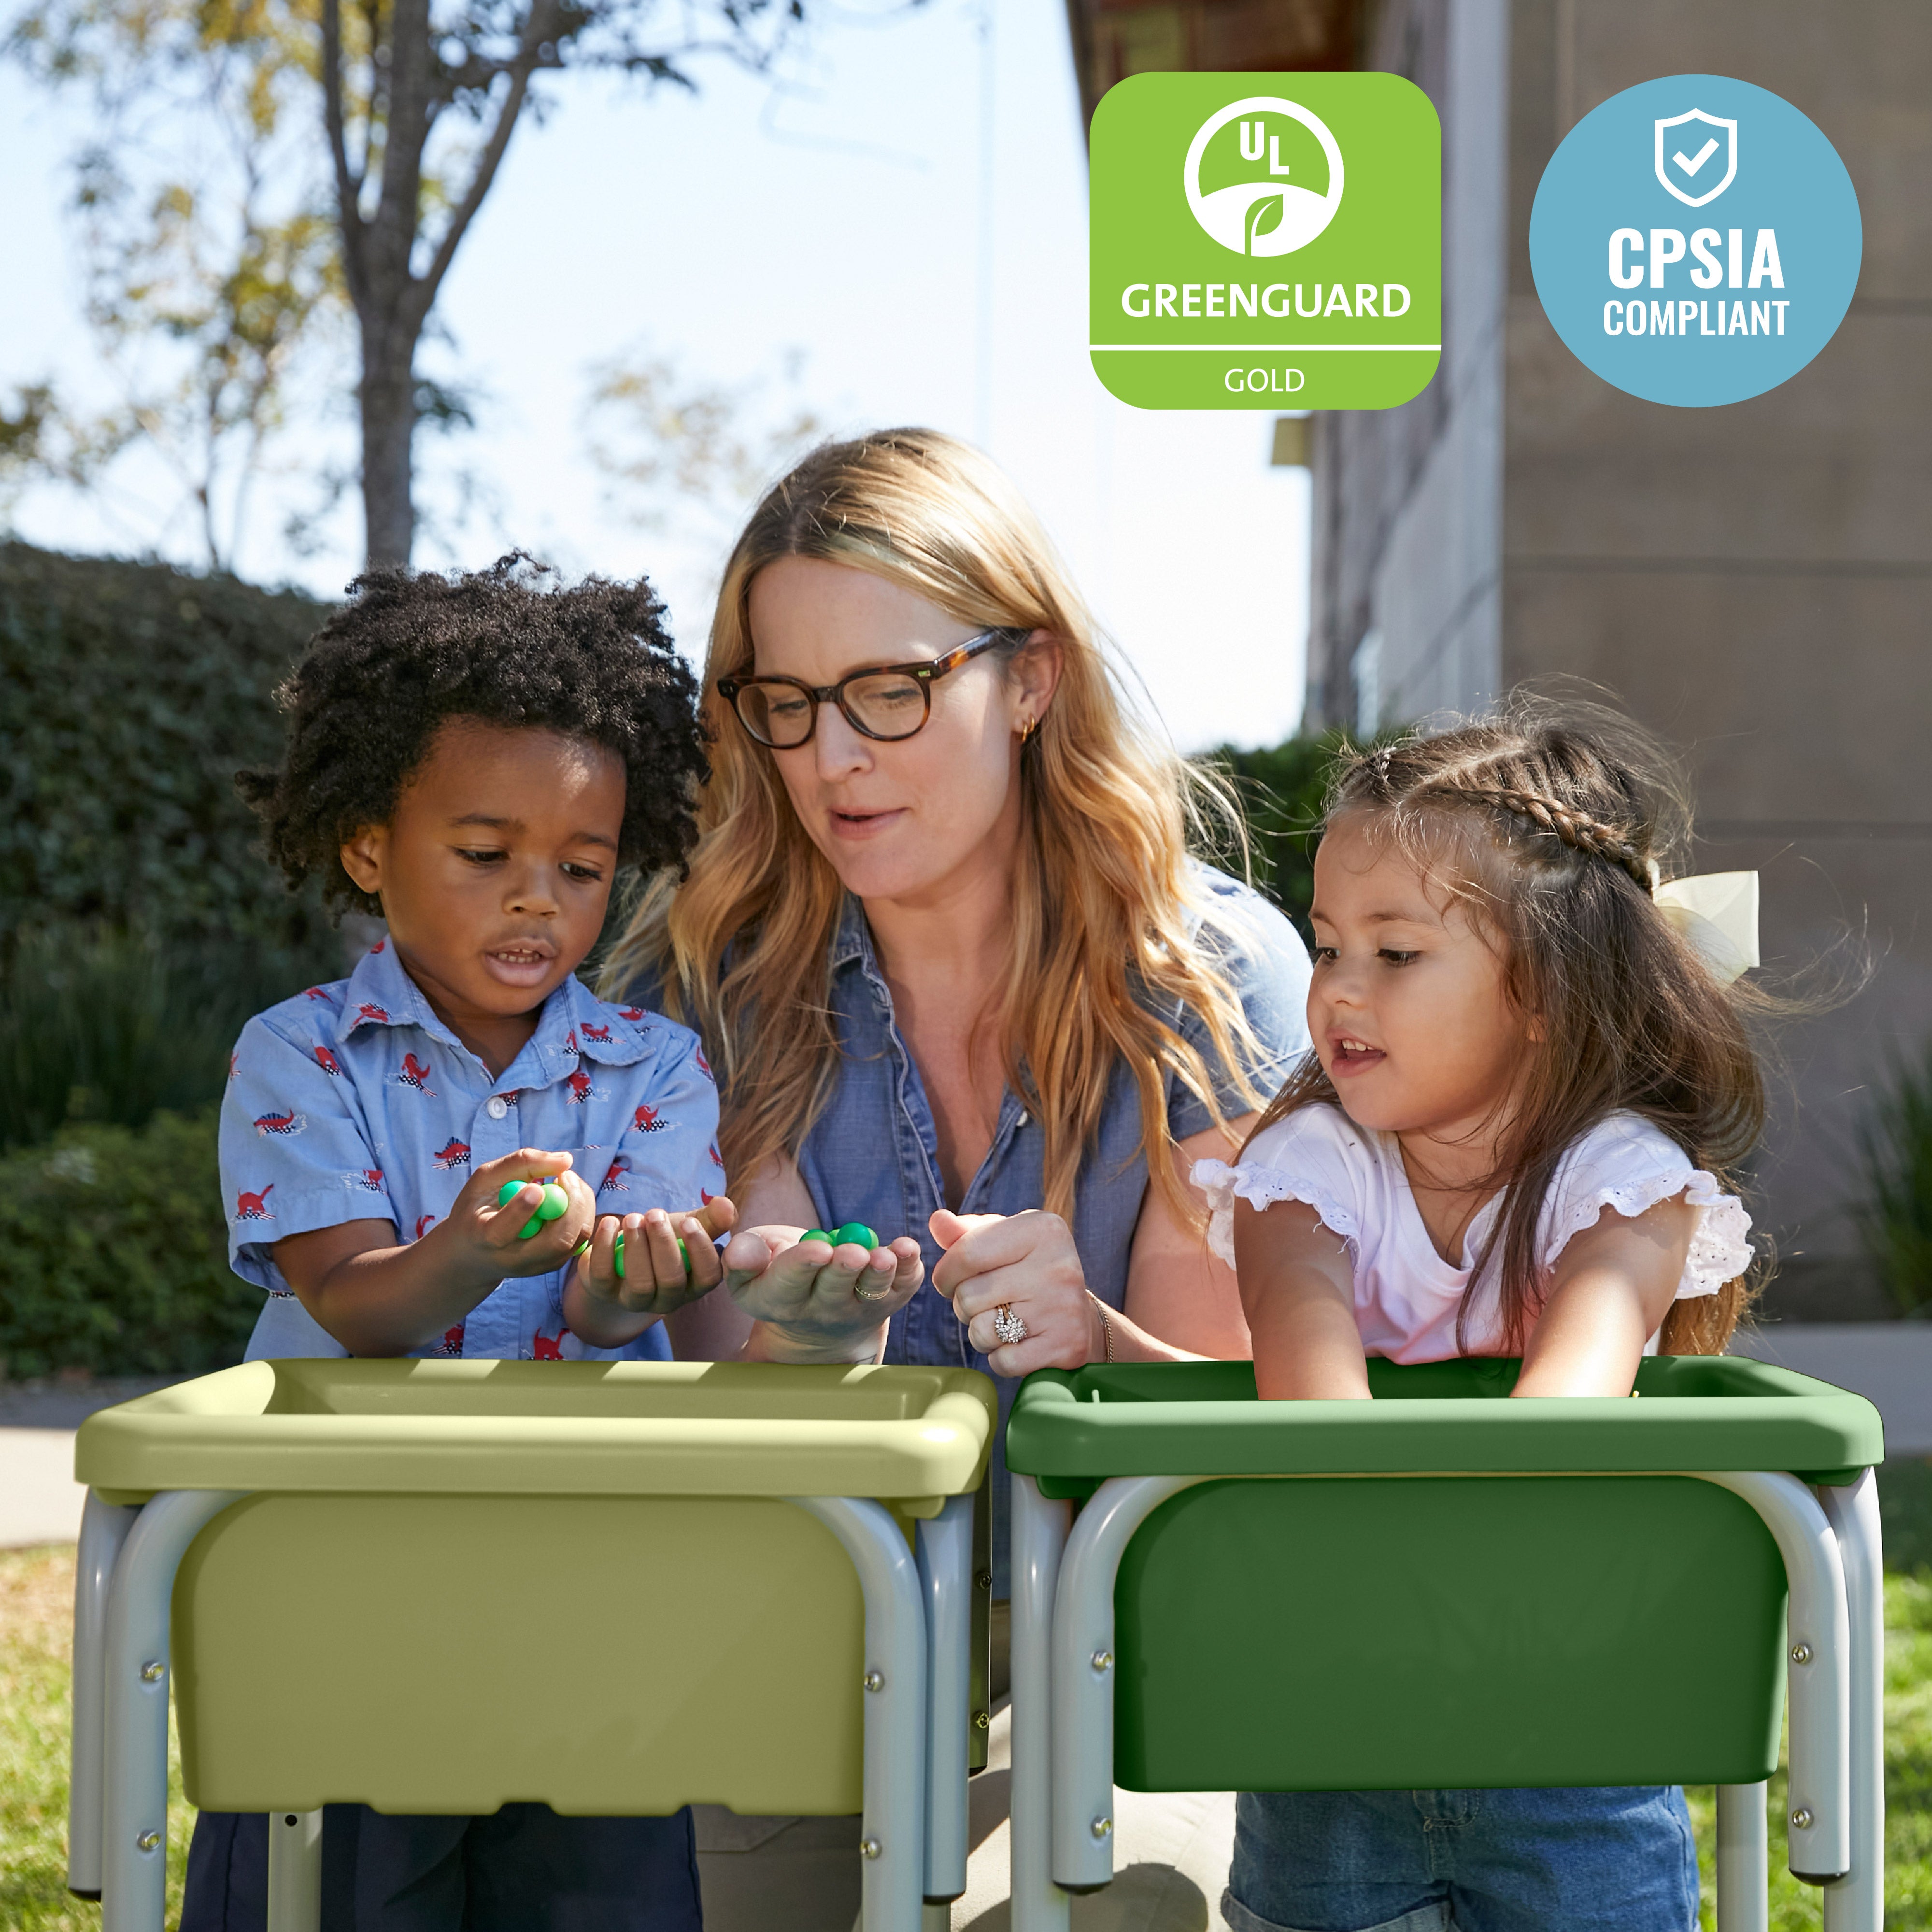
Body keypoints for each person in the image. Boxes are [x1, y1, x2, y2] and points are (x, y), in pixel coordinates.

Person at [600, 426, 1313, 1925]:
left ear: (1031, 678)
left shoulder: (1206, 969)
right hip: (811, 1621)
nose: (833, 759)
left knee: (1119, 1914)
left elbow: (1231, 1425)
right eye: (786, 706)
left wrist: (1096, 1344)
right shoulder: (719, 984)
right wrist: (800, 1347)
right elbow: (756, 1455)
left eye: (892, 691)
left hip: (1127, 1620)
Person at [185, 556, 727, 1932]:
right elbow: (354, 1302)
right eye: (486, 856)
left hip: (588, 1600)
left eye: (583, 866)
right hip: (350, 1597)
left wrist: (634, 1276)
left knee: (597, 1900)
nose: (537, 898)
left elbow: (613, 1316)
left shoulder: (653, 1068)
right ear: (372, 849)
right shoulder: (301, 1055)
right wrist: (475, 1246)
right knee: (341, 1897)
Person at [1197, 696, 1763, 1932]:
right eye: (1326, 944)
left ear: (1546, 992)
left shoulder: (1619, 1178)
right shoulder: (1301, 1167)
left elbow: (1562, 1414)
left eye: (1393, 953)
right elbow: (1314, 1410)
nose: (1337, 988)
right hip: (1324, 1746)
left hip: (1574, 1739)